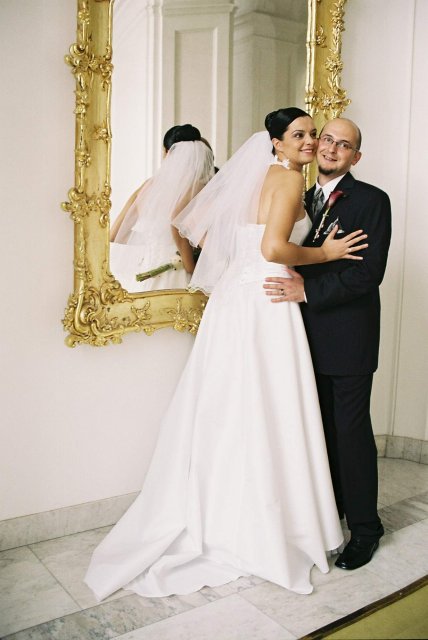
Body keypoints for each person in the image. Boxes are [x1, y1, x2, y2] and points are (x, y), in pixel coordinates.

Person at [85, 108, 369, 601]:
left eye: (312, 134)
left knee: (230, 406)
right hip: (267, 300)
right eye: (299, 135)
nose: (309, 142)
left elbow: (197, 227)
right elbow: (275, 249)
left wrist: (238, 256)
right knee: (267, 406)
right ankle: (265, 523)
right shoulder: (286, 180)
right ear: (276, 143)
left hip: (235, 299)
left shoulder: (254, 179)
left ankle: (219, 511)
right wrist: (325, 253)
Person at [264, 117, 392, 571]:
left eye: (345, 145)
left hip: (348, 339)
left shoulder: (372, 200)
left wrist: (308, 291)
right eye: (328, 139)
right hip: (299, 339)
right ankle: (328, 517)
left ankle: (366, 529)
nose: (332, 148)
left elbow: (367, 274)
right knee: (316, 434)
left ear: (356, 156)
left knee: (351, 437)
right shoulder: (296, 196)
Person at [109, 124, 214, 292]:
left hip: (146, 272)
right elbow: (177, 223)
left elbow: (114, 235)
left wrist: (153, 239)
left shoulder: (148, 186)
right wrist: (190, 266)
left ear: (167, 152)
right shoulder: (198, 187)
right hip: (178, 275)